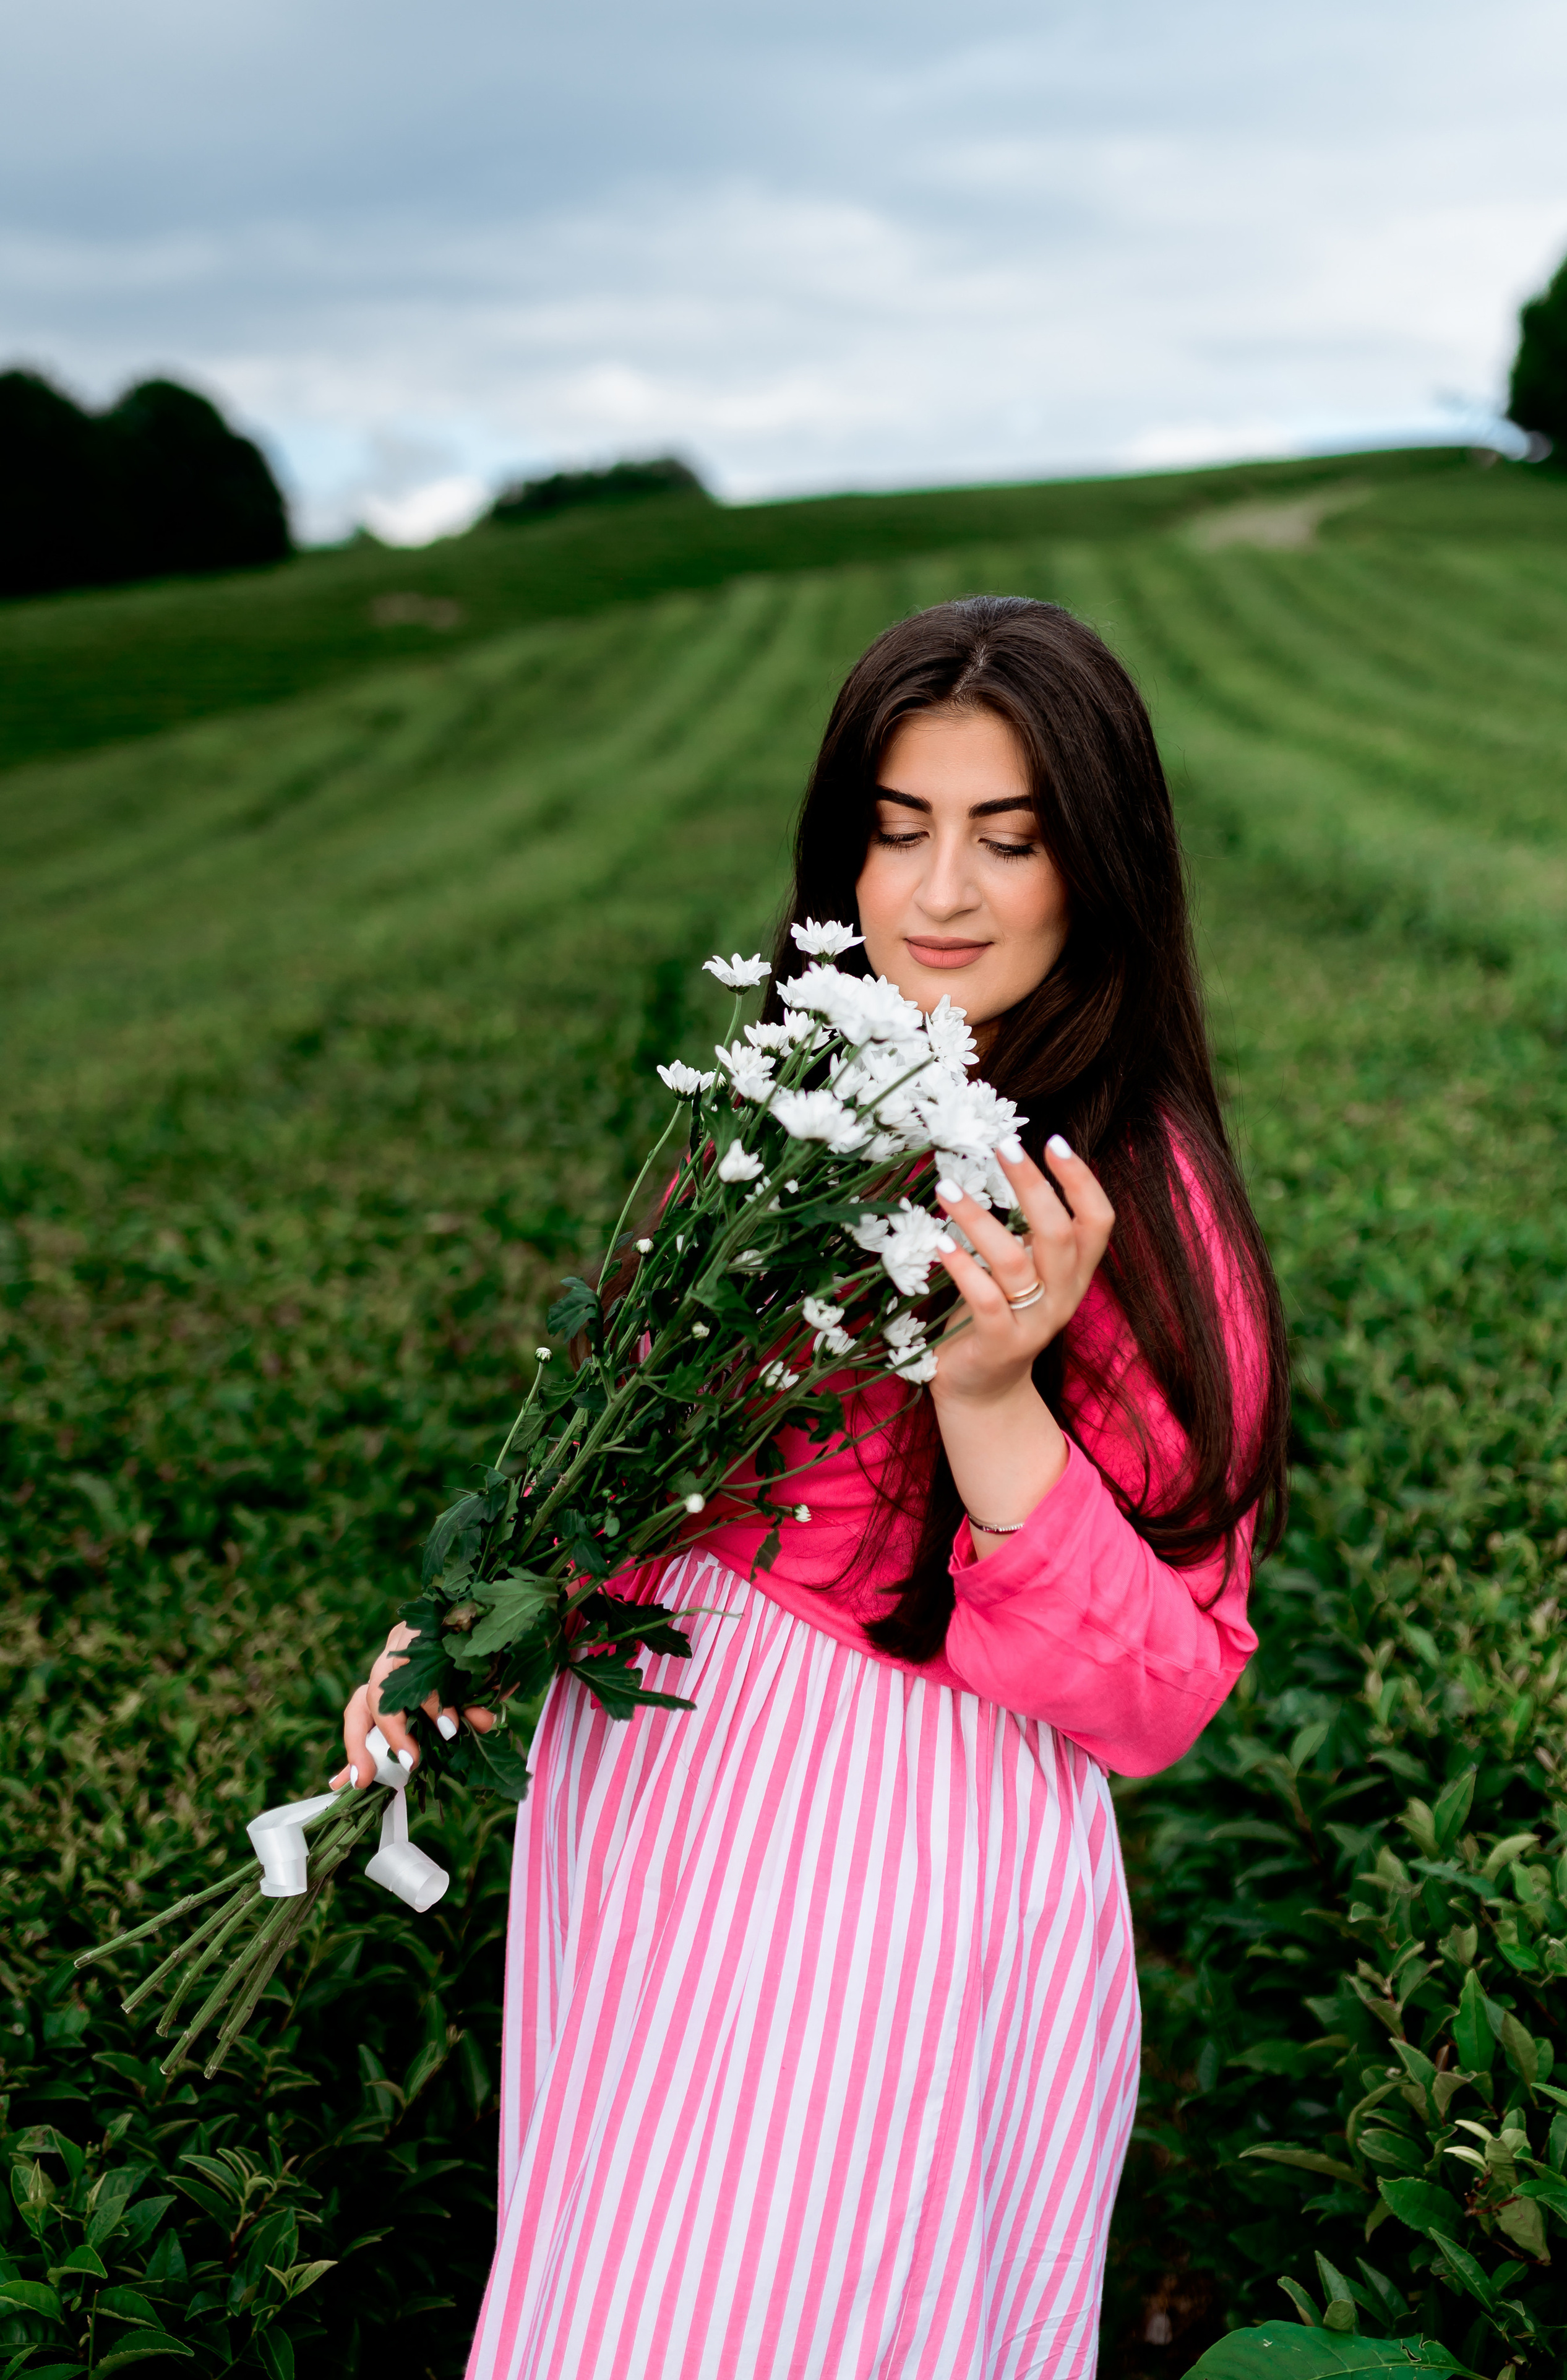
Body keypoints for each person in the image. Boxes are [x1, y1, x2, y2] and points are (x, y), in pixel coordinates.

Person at [338, 596, 1290, 2379]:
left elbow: (1162, 1692)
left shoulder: (1127, 1195)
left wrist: (991, 1395)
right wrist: (474, 1616)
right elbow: (645, 1459)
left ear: (1102, 864)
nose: (939, 893)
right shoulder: (801, 1104)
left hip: (883, 1858)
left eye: (1009, 840)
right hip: (651, 1821)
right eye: (895, 827)